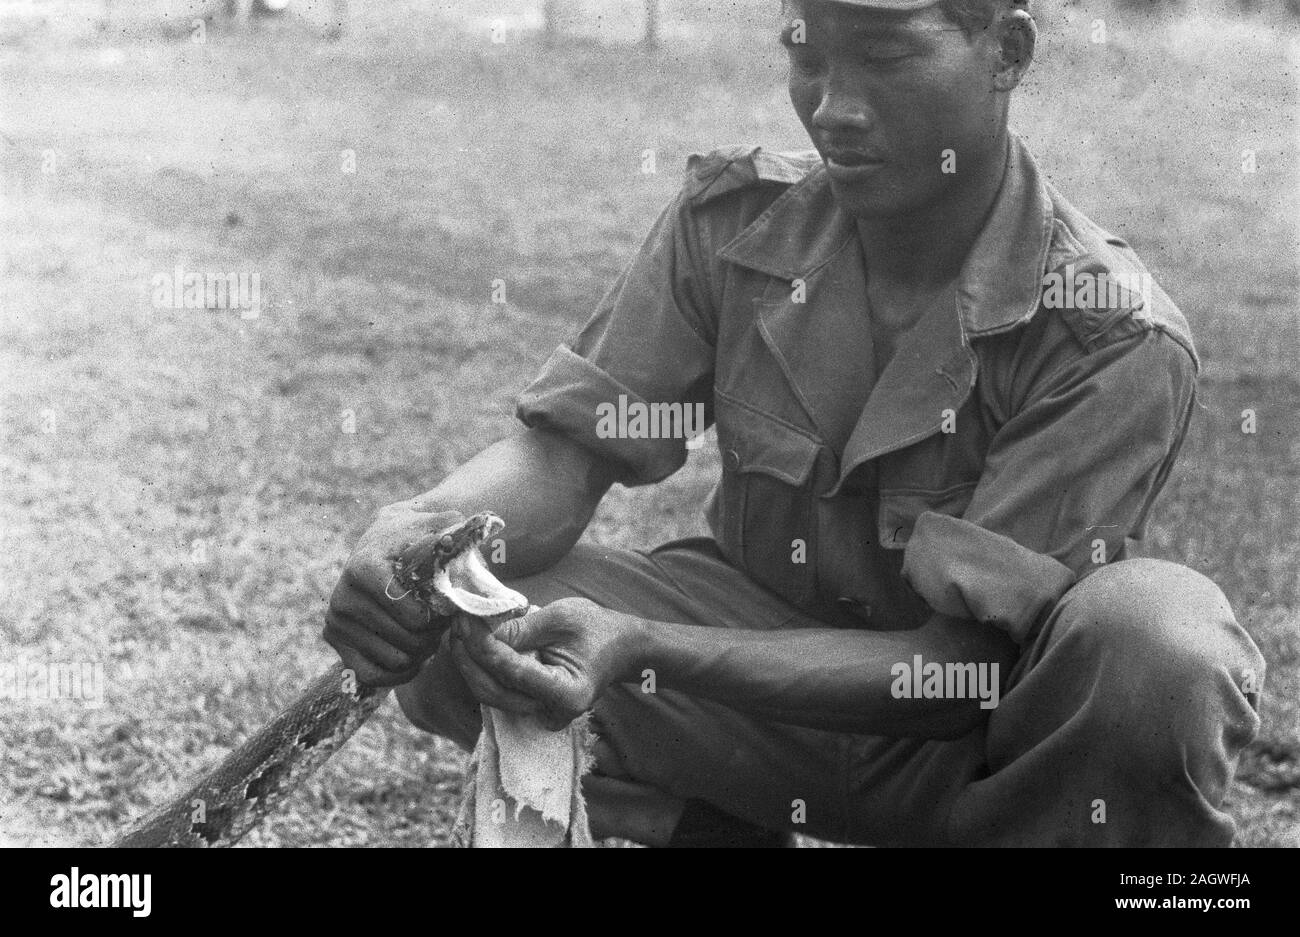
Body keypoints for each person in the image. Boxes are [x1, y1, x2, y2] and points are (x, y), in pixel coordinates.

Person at [324, 0, 1265, 846]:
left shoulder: (1107, 328)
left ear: (1007, 51)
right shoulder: (735, 225)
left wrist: (645, 644)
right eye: (805, 52)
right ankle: (701, 831)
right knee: (474, 597)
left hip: (973, 753)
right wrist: (423, 531)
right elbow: (564, 456)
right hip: (751, 709)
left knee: (1157, 643)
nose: (833, 107)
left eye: (885, 56)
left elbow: (954, 675)